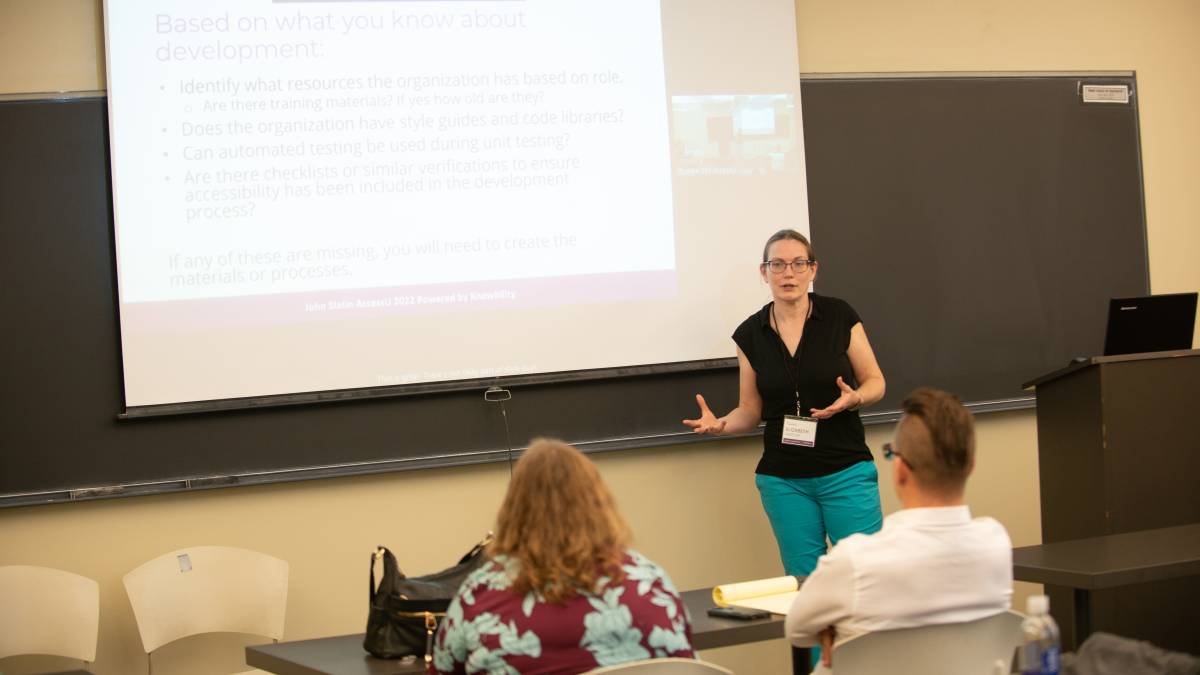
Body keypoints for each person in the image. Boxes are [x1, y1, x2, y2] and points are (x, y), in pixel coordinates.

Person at [684, 228, 887, 580]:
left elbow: (876, 382)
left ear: (813, 270)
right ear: (764, 273)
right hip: (784, 479)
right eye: (777, 264)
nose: (788, 273)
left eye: (797, 264)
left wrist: (855, 398)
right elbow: (749, 409)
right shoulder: (750, 333)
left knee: (865, 578)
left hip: (845, 470)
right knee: (804, 586)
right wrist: (721, 425)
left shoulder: (839, 316)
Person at [784, 387, 1013, 674]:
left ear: (900, 469)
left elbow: (797, 630)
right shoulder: (996, 543)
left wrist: (836, 635)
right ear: (971, 467)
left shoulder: (855, 560)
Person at [429, 439, 695, 675]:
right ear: (599, 505)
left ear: (513, 512)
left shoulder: (479, 595)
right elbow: (688, 667)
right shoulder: (649, 582)